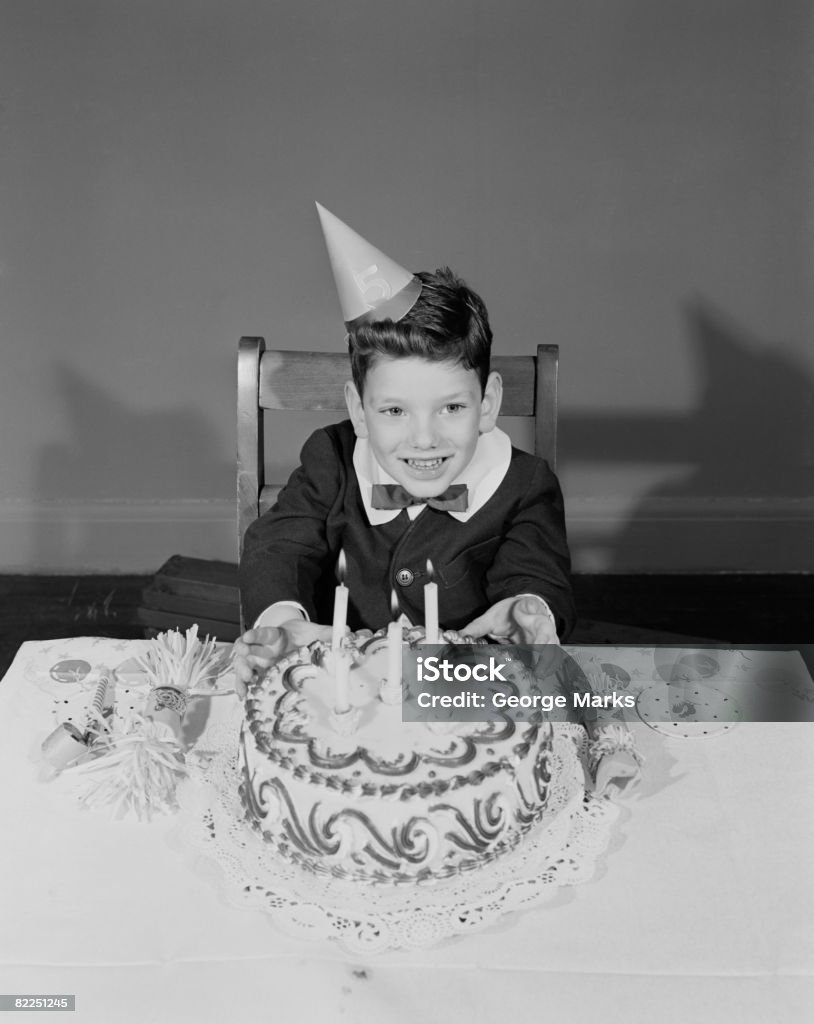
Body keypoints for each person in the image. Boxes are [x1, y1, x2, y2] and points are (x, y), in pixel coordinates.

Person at [233, 205, 640, 797]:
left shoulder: (523, 483)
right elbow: (279, 543)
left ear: (490, 401)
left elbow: (536, 570)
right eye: (394, 410)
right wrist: (282, 623)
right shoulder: (331, 457)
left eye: (451, 406)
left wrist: (528, 610)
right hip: (345, 704)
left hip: (466, 701)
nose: (424, 438)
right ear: (358, 409)